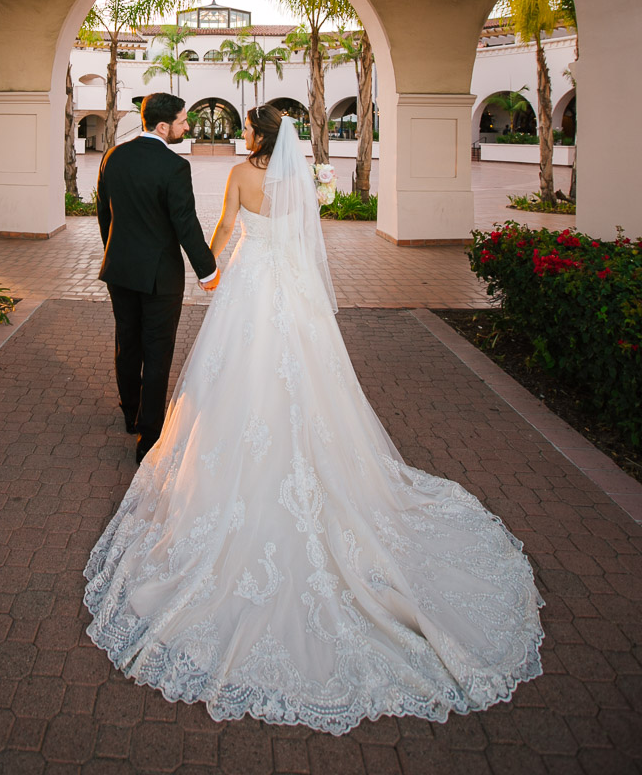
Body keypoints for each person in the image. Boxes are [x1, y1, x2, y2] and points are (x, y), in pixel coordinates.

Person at [85, 102, 543, 734]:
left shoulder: (236, 177)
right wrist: (252, 273)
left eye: (245, 128)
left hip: (246, 294)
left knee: (219, 376)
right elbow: (305, 244)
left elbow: (221, 226)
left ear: (258, 137)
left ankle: (167, 441)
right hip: (291, 300)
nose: (239, 134)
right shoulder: (301, 182)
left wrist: (215, 273)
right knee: (309, 383)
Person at [96, 91, 219, 464]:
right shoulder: (174, 167)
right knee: (157, 350)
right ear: (163, 126)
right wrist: (208, 269)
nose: (187, 125)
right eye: (183, 121)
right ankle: (149, 435)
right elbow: (185, 223)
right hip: (160, 278)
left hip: (119, 269)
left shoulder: (113, 156)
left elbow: (105, 214)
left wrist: (116, 253)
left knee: (127, 343)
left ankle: (130, 413)